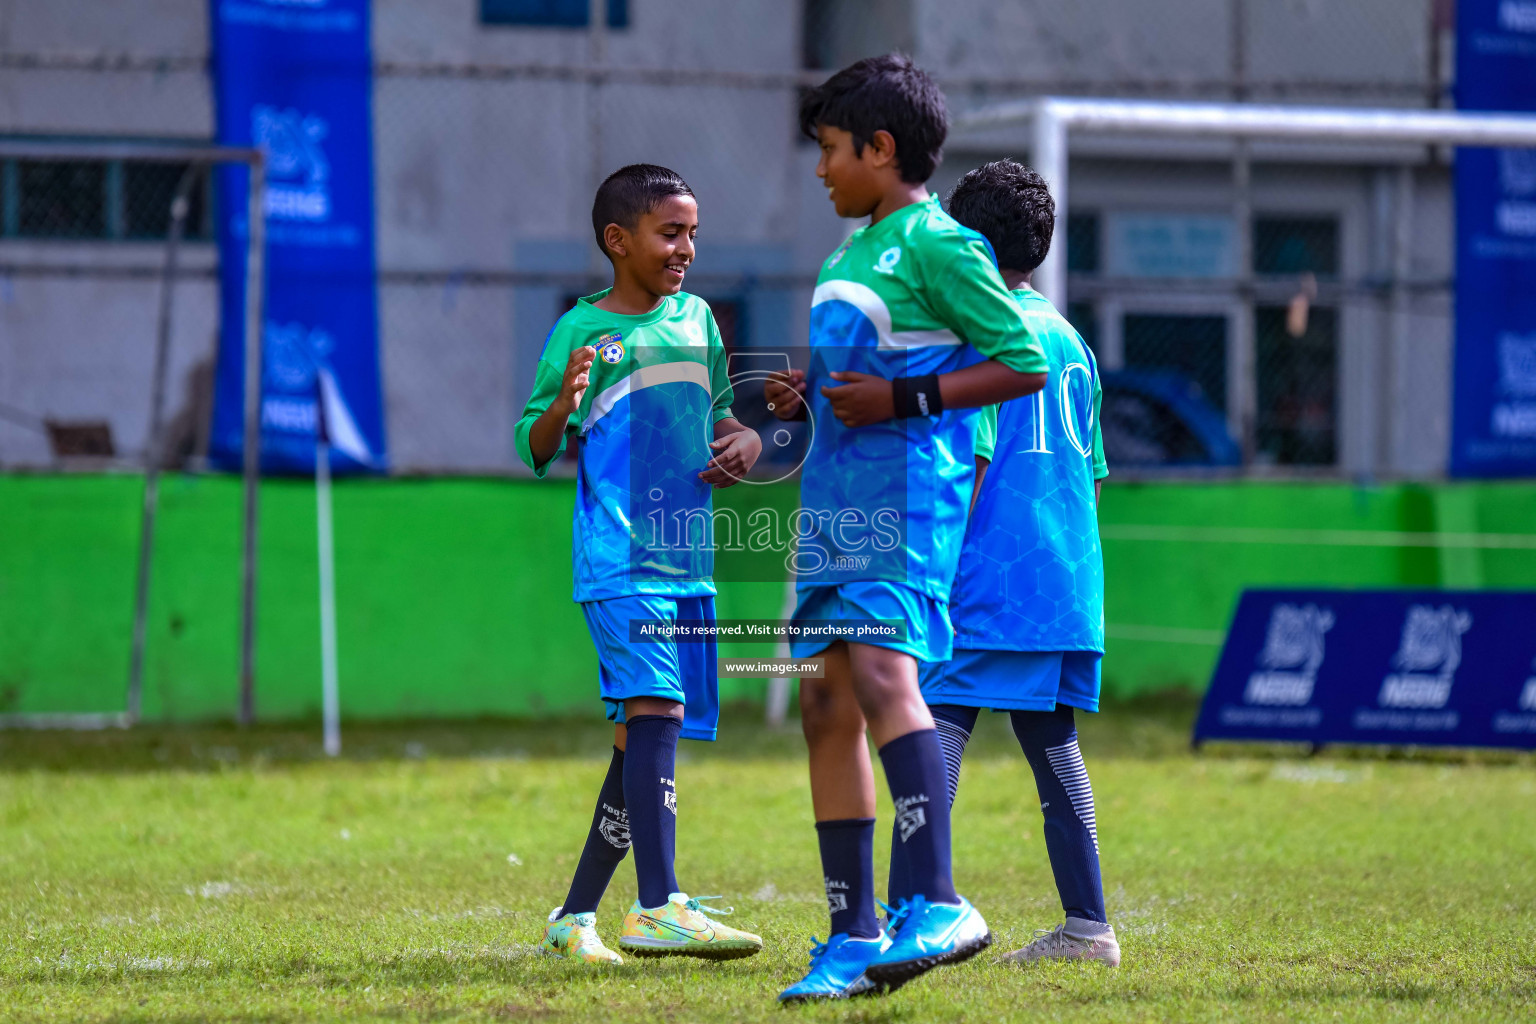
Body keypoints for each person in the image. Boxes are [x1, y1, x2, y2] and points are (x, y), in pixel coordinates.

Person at [766, 56, 1048, 1002]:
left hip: (905, 509)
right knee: (823, 703)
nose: (821, 170)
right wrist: (807, 390)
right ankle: (853, 934)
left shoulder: (942, 244)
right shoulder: (849, 253)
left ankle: (938, 899)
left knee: (886, 675)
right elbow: (870, 367)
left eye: (832, 151)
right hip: (832, 514)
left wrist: (903, 397)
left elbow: (1019, 361)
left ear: (881, 151)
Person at [516, 163, 764, 964]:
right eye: (670, 232)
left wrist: (745, 443)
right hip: (621, 560)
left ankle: (573, 916)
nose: (686, 248)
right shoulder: (579, 333)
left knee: (640, 739)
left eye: (692, 232)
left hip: (690, 563)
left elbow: (723, 418)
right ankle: (659, 905)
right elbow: (534, 446)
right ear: (618, 241)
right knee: (656, 712)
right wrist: (563, 404)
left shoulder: (699, 322)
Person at [887, 159, 1119, 967]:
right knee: (1052, 743)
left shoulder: (978, 337)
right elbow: (1089, 471)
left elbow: (973, 458)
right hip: (1064, 584)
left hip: (984, 583)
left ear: (969, 248)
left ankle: (903, 922)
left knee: (928, 735)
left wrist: (931, 569)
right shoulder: (1073, 341)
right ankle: (1088, 926)